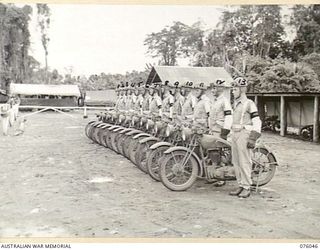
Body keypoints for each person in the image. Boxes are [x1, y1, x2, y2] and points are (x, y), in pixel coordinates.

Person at [229, 77, 262, 198]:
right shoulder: (235, 103)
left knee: (244, 161)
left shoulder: (249, 104)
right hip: (235, 134)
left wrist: (252, 138)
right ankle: (241, 184)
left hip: (244, 134)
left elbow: (257, 121)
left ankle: (247, 187)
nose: (233, 92)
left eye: (235, 89)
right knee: (236, 161)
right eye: (232, 89)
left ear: (242, 90)